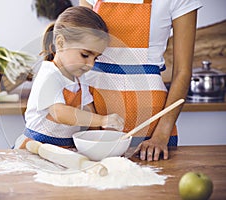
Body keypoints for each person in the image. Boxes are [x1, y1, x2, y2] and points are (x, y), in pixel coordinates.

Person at [79, 0, 202, 161]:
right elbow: (80, 55)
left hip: (151, 121)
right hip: (93, 109)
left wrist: (161, 135)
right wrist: (92, 122)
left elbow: (182, 71)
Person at [15, 6, 124, 149]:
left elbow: (88, 110)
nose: (90, 64)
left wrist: (99, 142)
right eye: (85, 55)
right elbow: (60, 114)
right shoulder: (48, 75)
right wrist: (103, 120)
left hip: (64, 148)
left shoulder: (80, 79)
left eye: (95, 58)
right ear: (60, 43)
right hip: (35, 148)